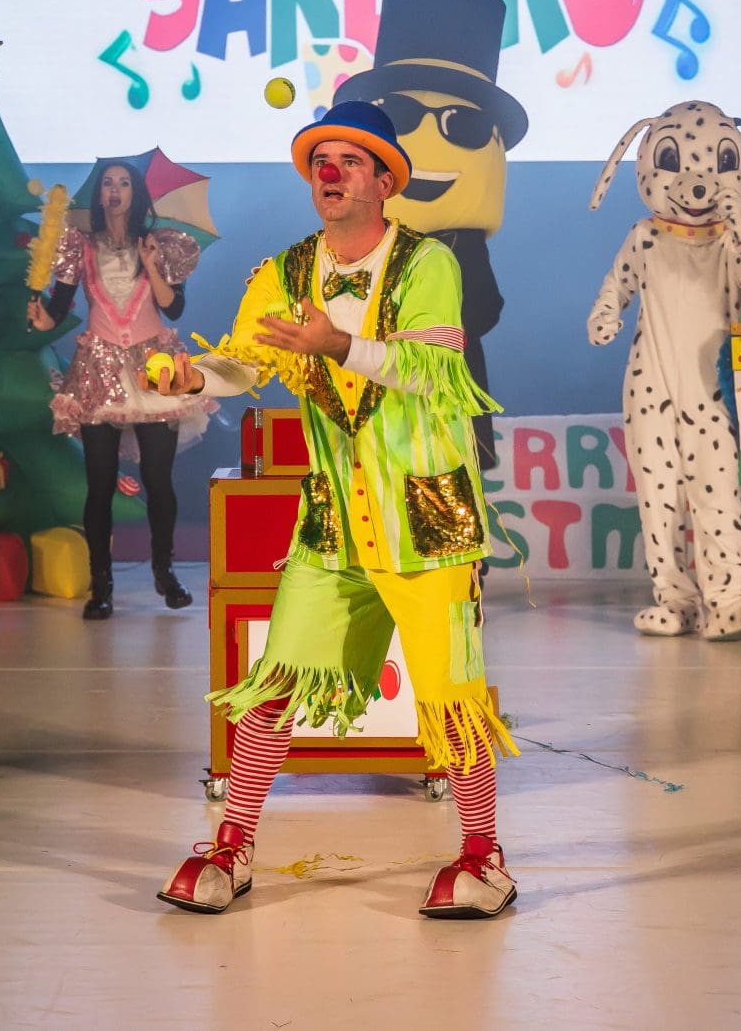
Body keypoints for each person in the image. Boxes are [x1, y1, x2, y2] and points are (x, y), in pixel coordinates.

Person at [151, 101, 519, 920]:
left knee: (450, 696)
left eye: (351, 160)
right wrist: (193, 378)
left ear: (386, 182)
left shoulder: (429, 263)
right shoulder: (285, 272)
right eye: (322, 159)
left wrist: (339, 345)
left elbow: (431, 370)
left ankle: (482, 853)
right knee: (278, 678)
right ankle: (233, 844)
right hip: (333, 519)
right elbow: (245, 363)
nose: (331, 171)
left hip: (427, 517)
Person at [28, 159, 214, 619]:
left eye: (124, 183)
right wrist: (43, 319)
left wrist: (150, 264)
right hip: (98, 369)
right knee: (99, 484)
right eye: (108, 183)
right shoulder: (79, 245)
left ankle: (165, 572)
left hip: (154, 368)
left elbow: (174, 308)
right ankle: (102, 585)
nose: (114, 190)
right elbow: (59, 307)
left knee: (158, 478)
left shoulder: (160, 243)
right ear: (99, 194)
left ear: (136, 194)